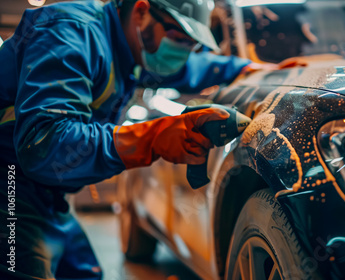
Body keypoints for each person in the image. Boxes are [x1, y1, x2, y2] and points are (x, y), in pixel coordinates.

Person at [0, 0, 255, 278]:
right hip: (9, 186)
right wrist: (152, 138)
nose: (183, 52)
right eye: (178, 39)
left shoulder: (129, 49)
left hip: (45, 194)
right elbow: (44, 144)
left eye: (191, 44)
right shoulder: (70, 32)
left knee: (85, 275)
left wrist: (247, 69)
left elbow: (188, 68)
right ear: (142, 11)